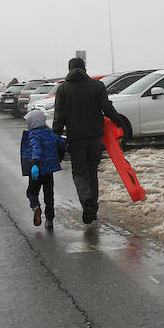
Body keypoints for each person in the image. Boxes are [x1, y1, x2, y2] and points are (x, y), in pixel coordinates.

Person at [52, 56, 126, 224]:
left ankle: (86, 200)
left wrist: (55, 138)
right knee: (92, 172)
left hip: (76, 139)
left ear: (69, 70)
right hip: (95, 137)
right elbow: (107, 108)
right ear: (84, 69)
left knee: (79, 173)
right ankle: (93, 206)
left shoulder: (63, 90)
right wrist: (118, 121)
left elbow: (59, 117)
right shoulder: (96, 86)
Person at [20, 108, 65, 228]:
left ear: (34, 122)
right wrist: (60, 156)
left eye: (28, 121)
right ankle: (49, 220)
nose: (27, 123)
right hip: (48, 171)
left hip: (37, 170)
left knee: (31, 192)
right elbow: (61, 143)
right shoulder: (49, 133)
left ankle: (36, 207)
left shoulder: (33, 134)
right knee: (49, 195)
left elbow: (36, 148)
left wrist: (34, 163)